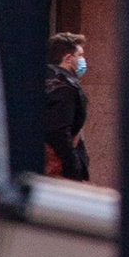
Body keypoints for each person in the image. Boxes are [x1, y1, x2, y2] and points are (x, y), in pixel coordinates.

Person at [40, 32, 91, 182]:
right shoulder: (64, 86)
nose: (82, 60)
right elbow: (59, 131)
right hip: (58, 169)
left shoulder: (42, 80)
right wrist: (73, 165)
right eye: (80, 55)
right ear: (68, 58)